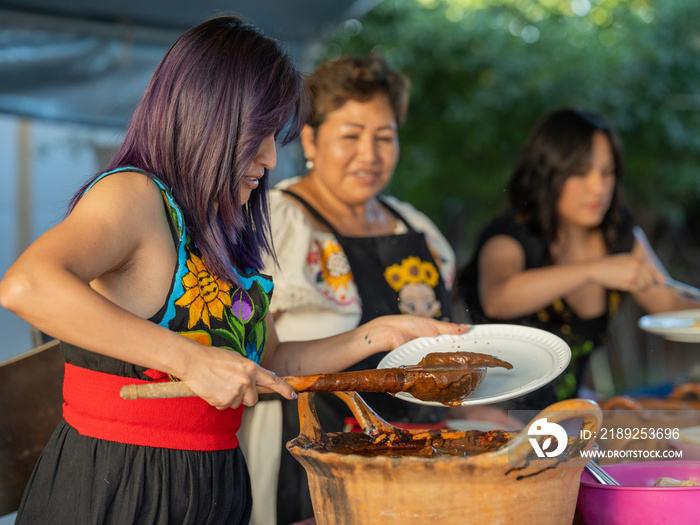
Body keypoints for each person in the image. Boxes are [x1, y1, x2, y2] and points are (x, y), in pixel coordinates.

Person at [0, 18, 467, 525]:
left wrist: (380, 334)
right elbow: (28, 285)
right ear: (208, 116)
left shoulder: (224, 227)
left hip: (213, 488)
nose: (270, 157)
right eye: (260, 133)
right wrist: (190, 359)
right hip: (122, 487)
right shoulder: (134, 195)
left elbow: (277, 363)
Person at [238, 54, 457, 525]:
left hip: (414, 450)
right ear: (312, 138)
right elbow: (258, 355)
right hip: (309, 452)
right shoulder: (276, 220)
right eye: (351, 136)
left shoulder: (415, 227)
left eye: (384, 137)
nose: (370, 155)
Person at [455, 107, 699, 413]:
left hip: (567, 414)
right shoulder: (511, 234)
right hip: (489, 416)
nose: (598, 187)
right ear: (549, 172)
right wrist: (594, 270)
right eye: (581, 172)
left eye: (607, 172)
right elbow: (498, 297)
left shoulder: (616, 233)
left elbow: (671, 304)